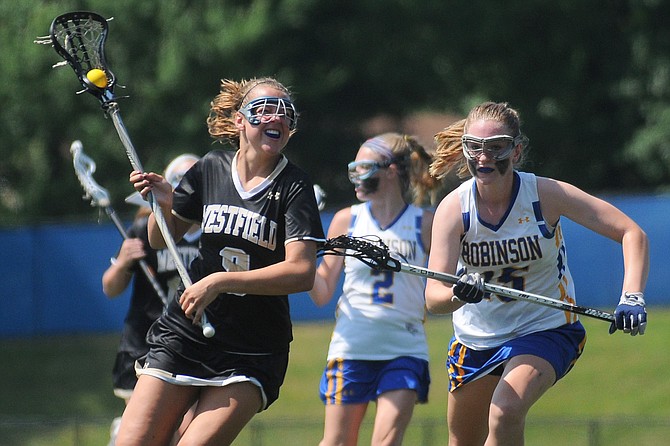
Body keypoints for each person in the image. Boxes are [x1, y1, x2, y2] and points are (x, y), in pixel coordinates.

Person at [424, 101, 649, 445]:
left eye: (495, 147)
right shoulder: (454, 209)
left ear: (516, 151)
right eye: (475, 147)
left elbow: (631, 232)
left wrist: (631, 295)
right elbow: (434, 298)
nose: (483, 157)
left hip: (545, 329)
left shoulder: (545, 195)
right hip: (476, 339)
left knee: (505, 410)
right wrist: (458, 293)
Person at [116, 77, 324, 446]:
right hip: (187, 332)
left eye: (285, 113)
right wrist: (165, 204)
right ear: (239, 120)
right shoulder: (210, 167)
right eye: (264, 110)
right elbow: (159, 238)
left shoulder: (294, 187)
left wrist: (220, 281)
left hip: (252, 349)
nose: (276, 119)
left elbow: (302, 271)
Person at [309, 132, 440, 446]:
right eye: (353, 168)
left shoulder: (425, 223)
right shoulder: (346, 221)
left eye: (364, 168)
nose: (356, 177)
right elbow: (323, 291)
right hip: (351, 347)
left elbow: (443, 285)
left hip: (404, 349)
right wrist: (300, 250)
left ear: (391, 171)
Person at [101, 154, 201, 446]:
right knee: (146, 431)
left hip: (189, 343)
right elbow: (110, 287)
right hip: (143, 341)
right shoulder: (143, 232)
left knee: (184, 431)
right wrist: (122, 263)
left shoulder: (213, 235)